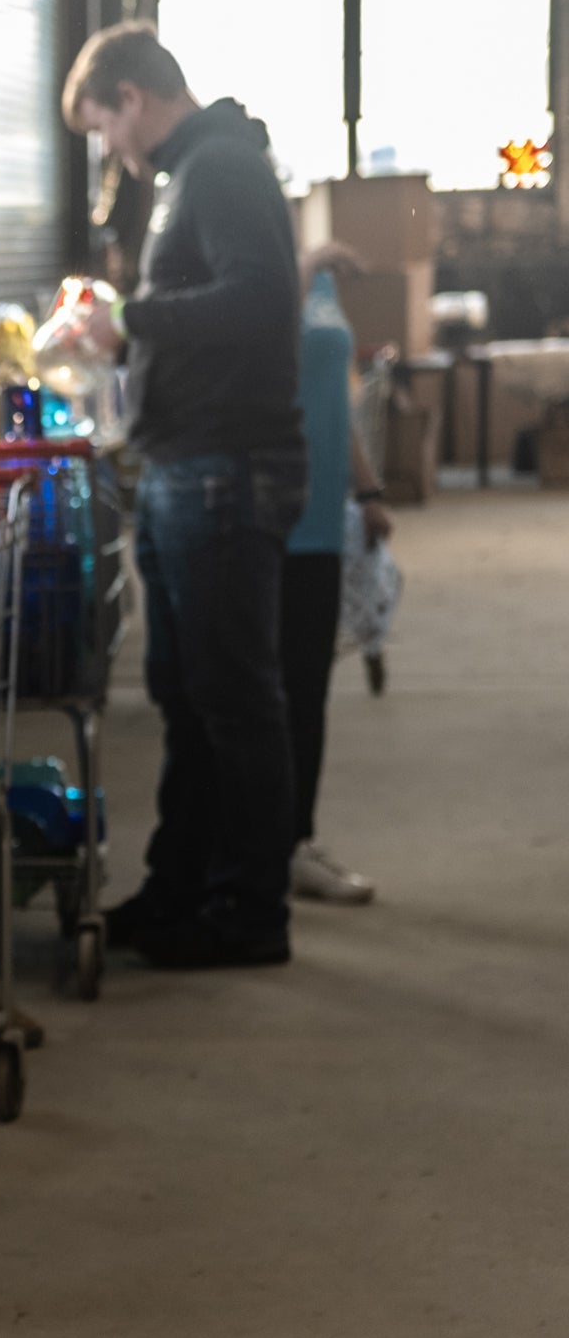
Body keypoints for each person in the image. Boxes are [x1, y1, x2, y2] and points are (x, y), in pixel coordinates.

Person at [62, 23, 307, 968]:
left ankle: (250, 910)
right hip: (185, 467)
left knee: (233, 696)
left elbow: (258, 299)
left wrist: (131, 322)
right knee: (188, 694)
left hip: (224, 470)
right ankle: (182, 888)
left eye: (102, 127)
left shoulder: (223, 170)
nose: (107, 150)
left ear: (131, 96)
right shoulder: (184, 179)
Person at [282, 242, 393, 905]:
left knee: (306, 686)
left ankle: (295, 841)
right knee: (270, 691)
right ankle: (267, 844)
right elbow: (266, 340)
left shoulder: (320, 279)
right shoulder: (261, 270)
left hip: (323, 517)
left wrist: (369, 491)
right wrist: (300, 267)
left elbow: (334, 401)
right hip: (272, 512)